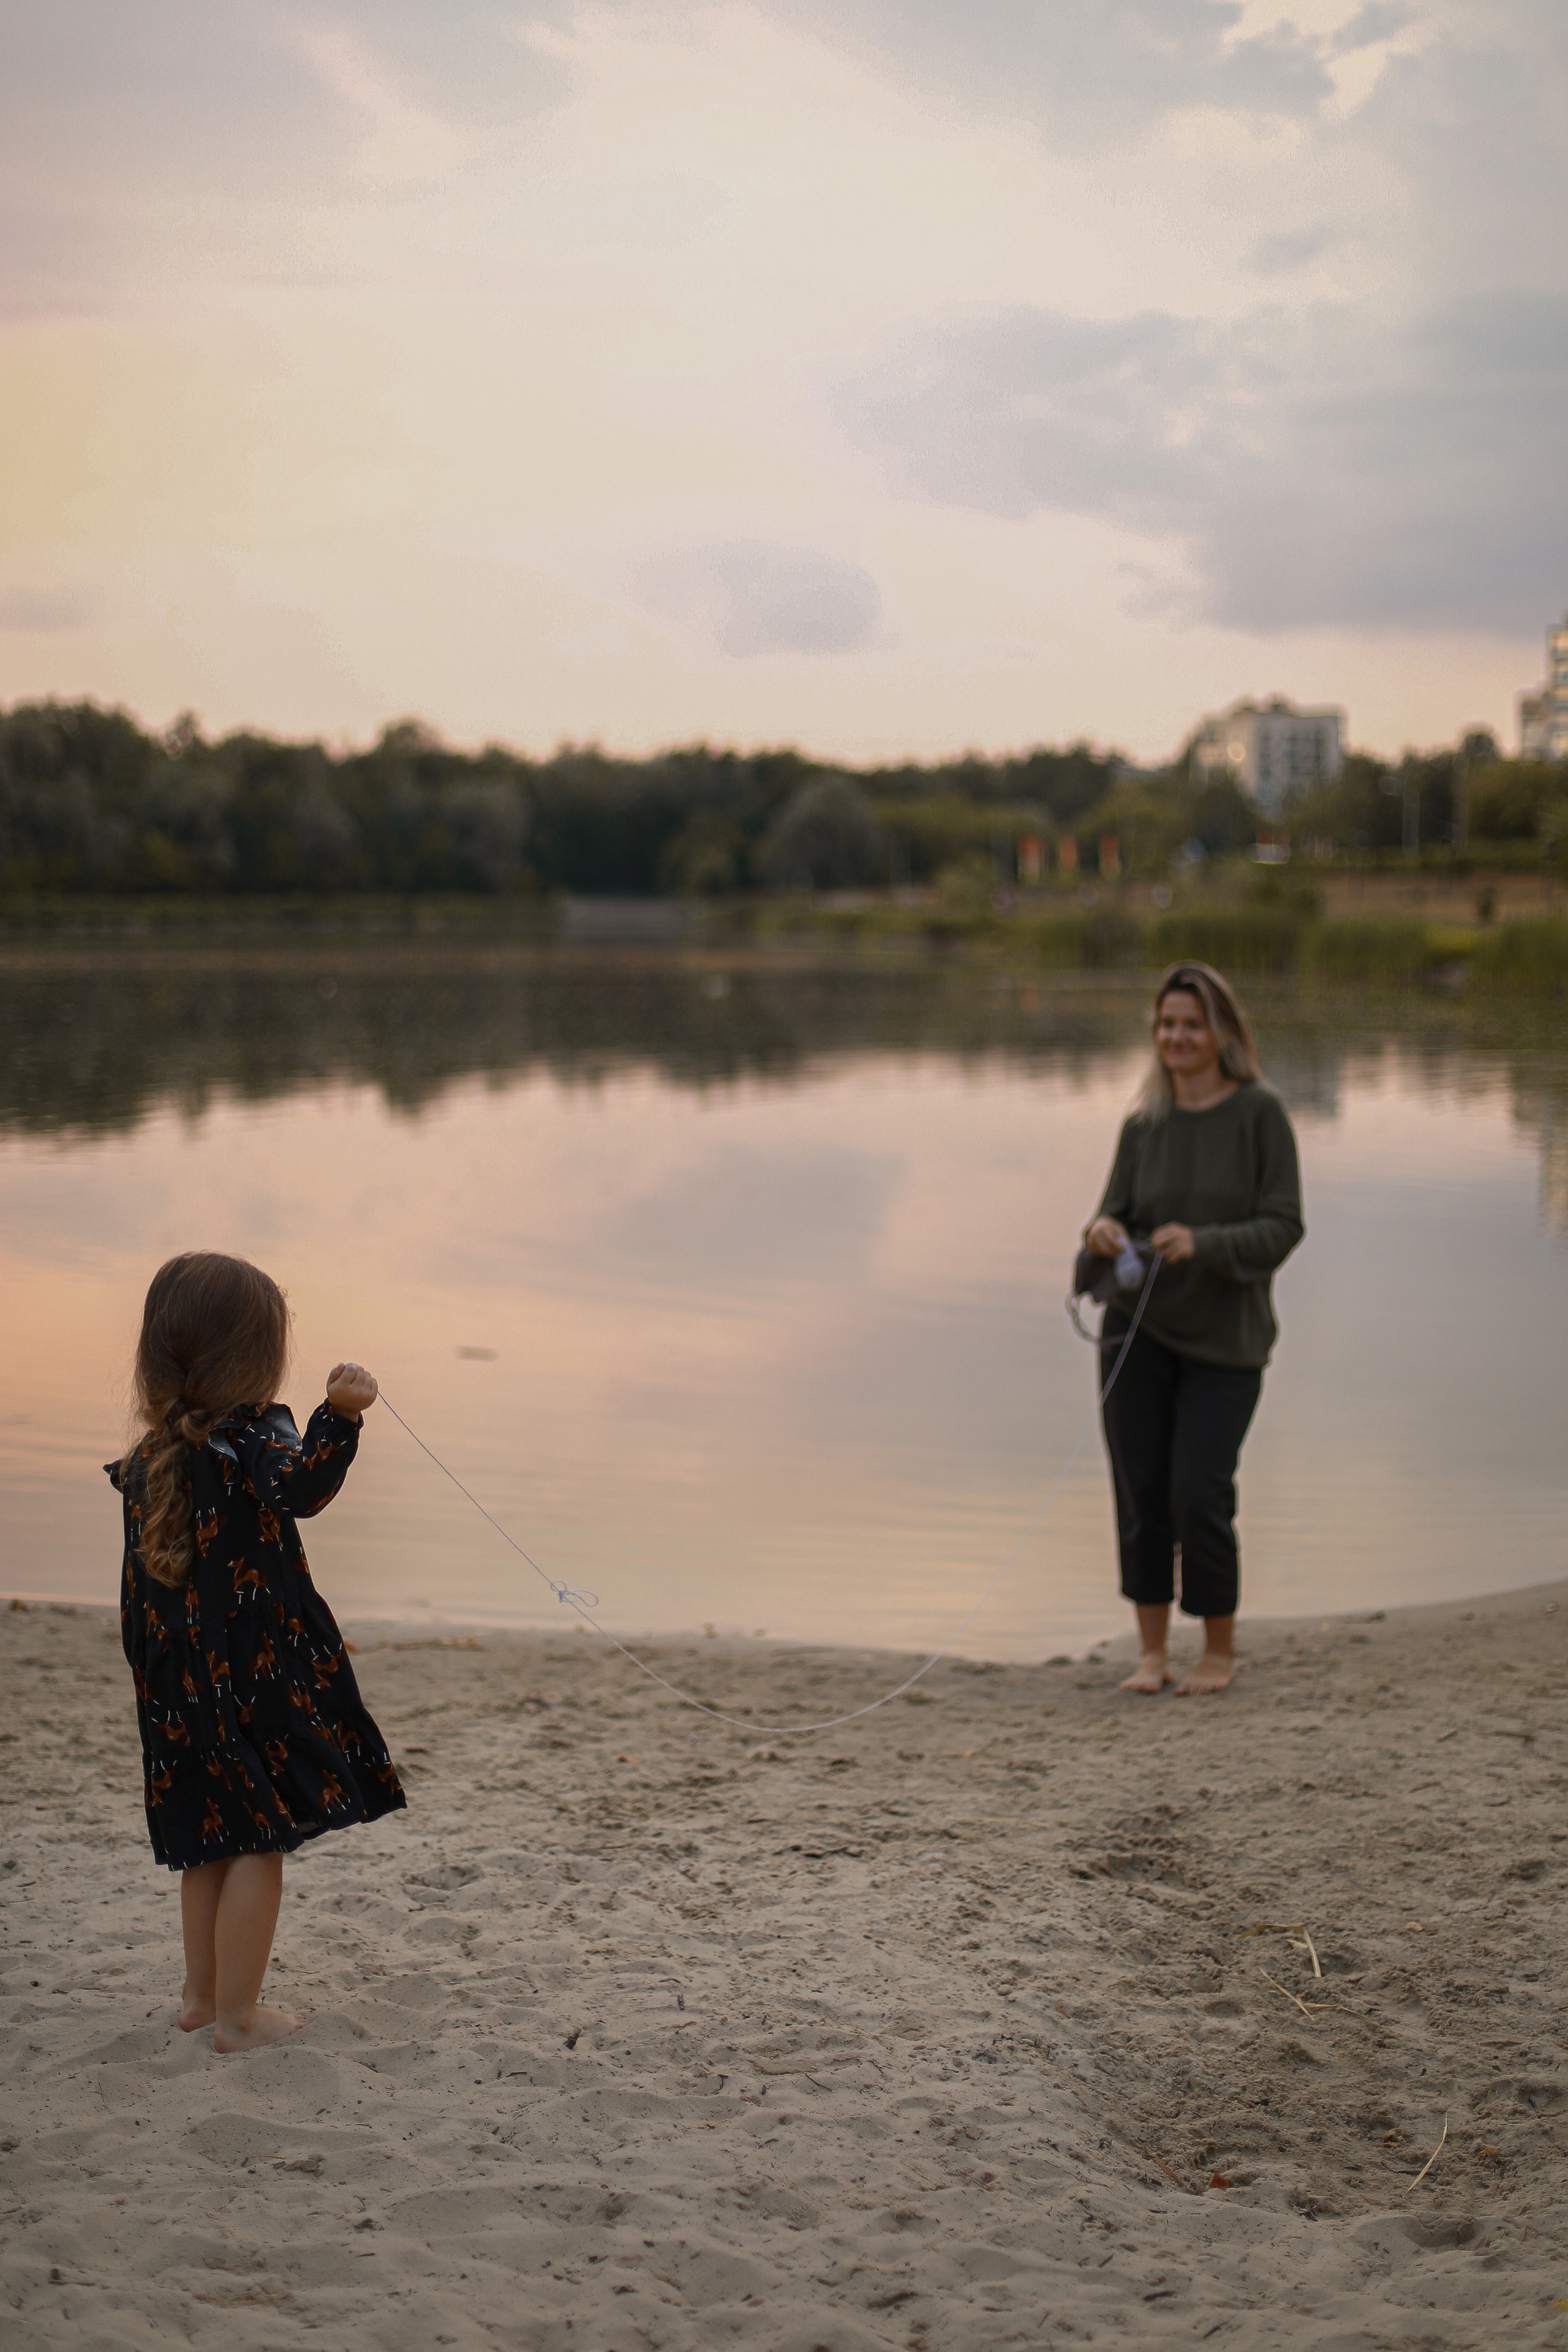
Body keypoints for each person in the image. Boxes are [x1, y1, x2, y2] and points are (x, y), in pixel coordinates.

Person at [108, 1251, 405, 2050]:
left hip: (174, 1685)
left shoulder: (151, 1458)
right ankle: (238, 2019)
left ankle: (200, 1998)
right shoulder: (248, 1442)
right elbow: (302, 1489)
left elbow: (139, 1595)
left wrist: (155, 1678)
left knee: (209, 1835)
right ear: (256, 1358)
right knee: (259, 1839)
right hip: (249, 1681)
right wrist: (340, 1416)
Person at [1082, 964, 1303, 1696]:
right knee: (1141, 1492)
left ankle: (1217, 1653)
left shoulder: (1260, 1114)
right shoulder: (1142, 1122)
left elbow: (1284, 1226)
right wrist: (1102, 1230)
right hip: (1135, 1335)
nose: (1176, 1037)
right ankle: (1151, 1655)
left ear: (1222, 1033)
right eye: (1166, 1024)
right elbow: (1112, 1213)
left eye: (1191, 1024)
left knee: (1199, 1493)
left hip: (1225, 1344)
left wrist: (1203, 1243)